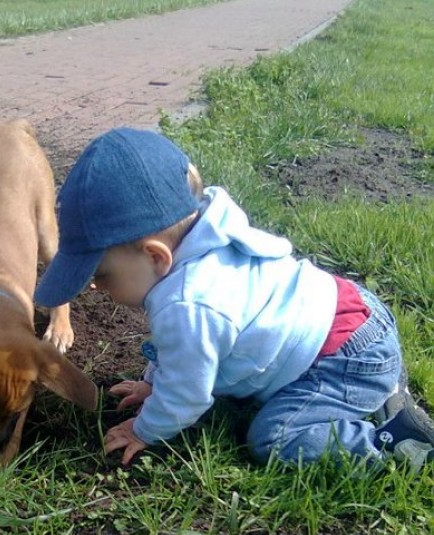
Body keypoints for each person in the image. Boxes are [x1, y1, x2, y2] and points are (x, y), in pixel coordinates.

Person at [34, 127, 434, 471]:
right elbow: (180, 358)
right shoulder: (207, 234)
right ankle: (380, 389)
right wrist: (153, 385)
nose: (95, 288)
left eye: (101, 275)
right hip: (355, 314)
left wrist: (144, 428)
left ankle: (395, 443)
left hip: (339, 359)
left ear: (157, 256)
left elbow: (188, 394)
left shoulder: (188, 304)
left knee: (273, 438)